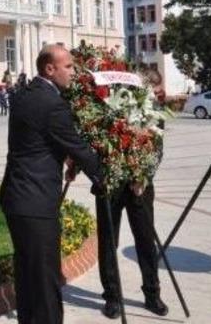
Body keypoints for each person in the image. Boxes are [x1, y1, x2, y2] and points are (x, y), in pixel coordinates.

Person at [0, 44, 104, 324]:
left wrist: (64, 157)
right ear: (49, 68)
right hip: (36, 201)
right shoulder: (52, 103)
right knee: (45, 281)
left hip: (17, 198)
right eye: (68, 67)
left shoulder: (23, 94)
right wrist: (105, 175)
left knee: (28, 276)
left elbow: (38, 140)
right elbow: (78, 146)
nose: (73, 72)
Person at [85, 67, 168, 319]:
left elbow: (156, 149)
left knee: (145, 240)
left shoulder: (153, 112)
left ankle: (152, 293)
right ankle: (112, 297)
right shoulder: (110, 107)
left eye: (152, 90)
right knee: (108, 242)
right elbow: (95, 142)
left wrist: (143, 177)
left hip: (139, 187)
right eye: (145, 88)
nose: (151, 94)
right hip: (110, 185)